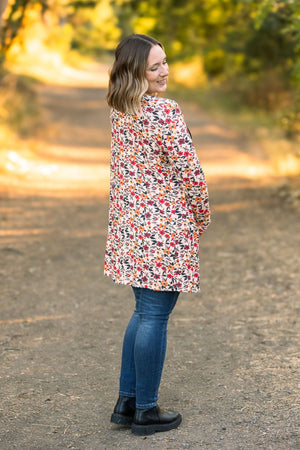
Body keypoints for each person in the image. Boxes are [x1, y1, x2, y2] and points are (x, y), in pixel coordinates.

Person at [104, 34, 210, 436]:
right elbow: (191, 172)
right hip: (164, 230)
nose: (165, 71)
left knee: (142, 312)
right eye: (155, 66)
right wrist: (201, 214)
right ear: (136, 72)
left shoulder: (120, 109)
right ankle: (146, 410)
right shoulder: (165, 112)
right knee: (154, 316)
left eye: (166, 62)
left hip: (133, 228)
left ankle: (126, 400)